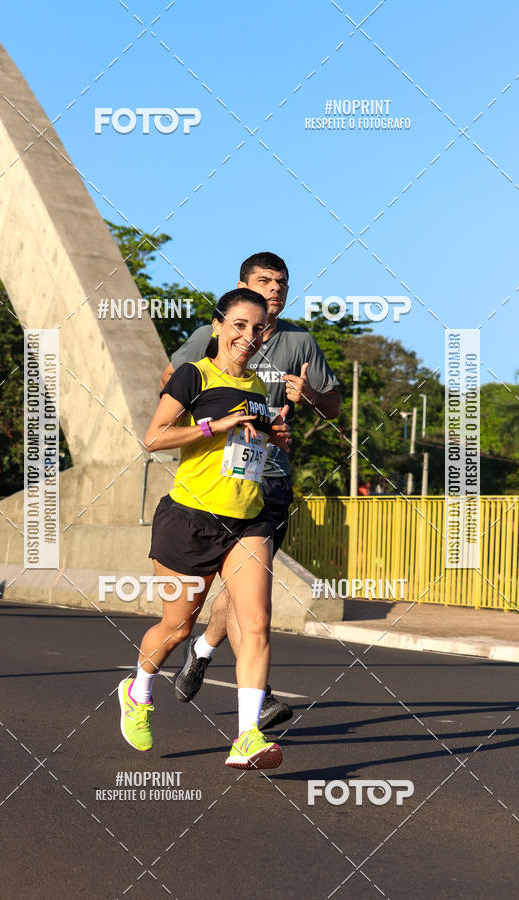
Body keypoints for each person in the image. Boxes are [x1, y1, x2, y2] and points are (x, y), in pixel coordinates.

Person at [160, 252, 341, 727]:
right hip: (213, 482)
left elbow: (334, 405)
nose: (275, 288)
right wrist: (207, 423)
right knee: (221, 601)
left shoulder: (299, 341)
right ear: (242, 285)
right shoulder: (213, 333)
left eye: (282, 282)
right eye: (264, 280)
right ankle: (243, 690)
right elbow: (172, 382)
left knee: (248, 595)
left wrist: (312, 398)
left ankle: (204, 652)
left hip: (271, 483)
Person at [118, 288, 292, 770]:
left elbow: (253, 453)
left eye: (258, 329)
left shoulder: (260, 389)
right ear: (218, 326)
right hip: (190, 519)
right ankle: (138, 690)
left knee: (256, 622)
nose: (248, 336)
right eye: (239, 325)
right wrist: (218, 425)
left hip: (248, 518)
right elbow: (154, 438)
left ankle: (246, 737)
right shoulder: (195, 375)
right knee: (176, 628)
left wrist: (279, 438)